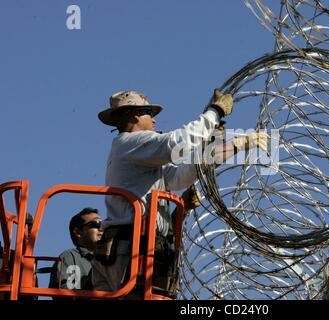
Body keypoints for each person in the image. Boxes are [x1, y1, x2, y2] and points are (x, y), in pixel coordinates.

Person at [93, 89, 268, 296]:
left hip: (139, 246)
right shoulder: (131, 142)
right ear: (136, 115)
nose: (155, 121)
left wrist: (236, 145)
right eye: (151, 114)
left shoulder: (138, 154)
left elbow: (180, 176)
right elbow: (176, 143)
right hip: (132, 248)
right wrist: (215, 112)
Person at [49, 207, 103, 290]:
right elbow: (62, 292)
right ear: (78, 232)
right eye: (96, 223)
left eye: (104, 224)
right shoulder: (68, 257)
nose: (101, 228)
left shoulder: (114, 258)